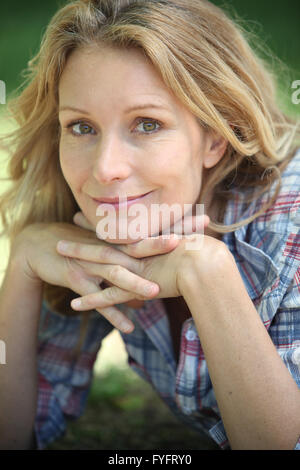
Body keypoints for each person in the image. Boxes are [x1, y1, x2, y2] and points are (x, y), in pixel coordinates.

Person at [0, 0, 299, 451]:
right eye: (81, 127)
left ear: (216, 136)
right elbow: (13, 431)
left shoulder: (288, 227)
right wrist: (22, 264)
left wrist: (206, 271)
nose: (106, 169)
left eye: (146, 124)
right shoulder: (85, 227)